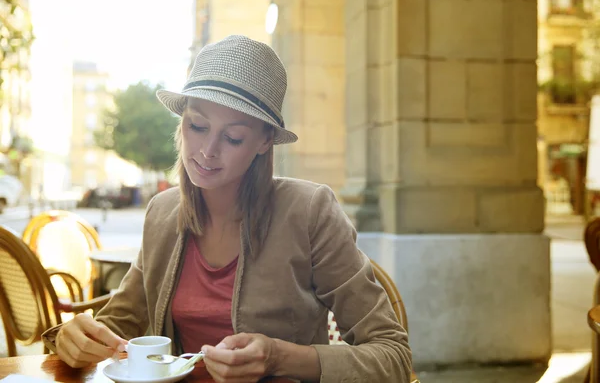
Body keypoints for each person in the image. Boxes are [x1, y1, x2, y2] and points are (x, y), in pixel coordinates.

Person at [42, 35, 412, 382]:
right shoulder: (162, 213)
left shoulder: (309, 212)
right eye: (197, 126)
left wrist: (279, 357)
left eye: (233, 136)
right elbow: (121, 322)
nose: (207, 151)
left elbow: (393, 356)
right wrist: (70, 337)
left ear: (265, 140)